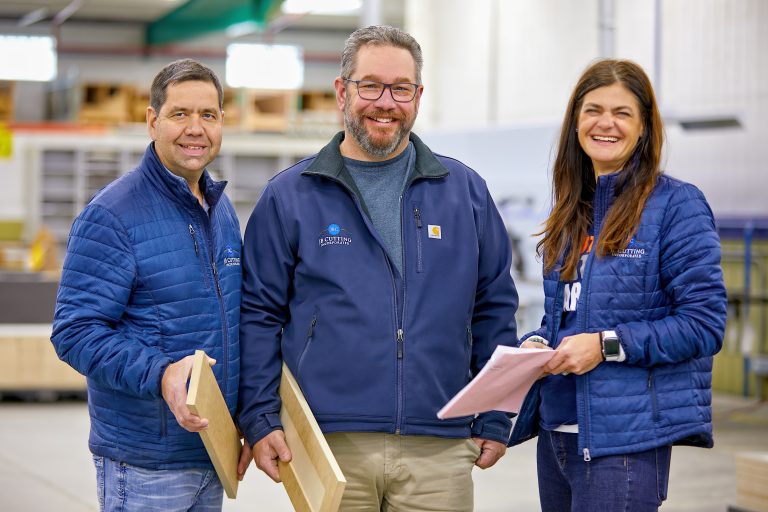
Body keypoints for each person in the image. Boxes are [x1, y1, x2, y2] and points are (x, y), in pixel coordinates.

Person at [238, 25, 519, 511]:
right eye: (370, 86)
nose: (385, 103)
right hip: (328, 441)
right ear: (342, 91)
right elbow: (258, 314)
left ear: (418, 96)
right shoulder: (291, 195)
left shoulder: (465, 192)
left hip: (440, 444)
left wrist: (495, 414)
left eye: (401, 89)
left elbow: (494, 307)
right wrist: (260, 417)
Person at [510, 59, 727, 512]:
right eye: (593, 110)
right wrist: (536, 344)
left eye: (622, 113)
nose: (605, 123)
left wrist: (606, 346)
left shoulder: (677, 205)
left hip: (623, 444)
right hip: (556, 433)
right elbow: (565, 318)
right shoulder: (572, 210)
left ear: (644, 127)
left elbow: (704, 325)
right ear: (576, 123)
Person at [51, 59, 250, 512]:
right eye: (180, 114)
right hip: (145, 464)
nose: (195, 128)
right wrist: (161, 373)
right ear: (152, 120)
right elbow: (74, 332)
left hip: (211, 450)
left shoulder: (220, 210)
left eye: (208, 115)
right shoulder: (113, 214)